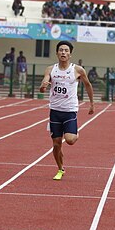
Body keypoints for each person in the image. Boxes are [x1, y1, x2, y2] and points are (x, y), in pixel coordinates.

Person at [39, 41, 94, 180]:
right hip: (55, 111)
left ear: (70, 54)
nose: (63, 52)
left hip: (70, 110)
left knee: (70, 140)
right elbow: (43, 84)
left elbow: (88, 85)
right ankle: (60, 169)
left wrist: (92, 103)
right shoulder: (50, 69)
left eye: (66, 50)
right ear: (57, 53)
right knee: (56, 144)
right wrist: (43, 86)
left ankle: (74, 132)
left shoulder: (78, 70)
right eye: (61, 50)